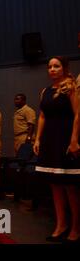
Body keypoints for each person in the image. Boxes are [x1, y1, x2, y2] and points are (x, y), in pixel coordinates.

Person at [33, 56, 79, 243]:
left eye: (56, 66)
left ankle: (76, 228)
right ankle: (61, 225)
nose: (52, 69)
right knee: (55, 185)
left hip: (66, 139)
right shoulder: (45, 91)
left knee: (70, 186)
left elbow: (78, 115)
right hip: (49, 140)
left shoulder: (71, 88)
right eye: (50, 66)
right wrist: (37, 139)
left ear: (64, 68)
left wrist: (75, 140)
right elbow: (42, 116)